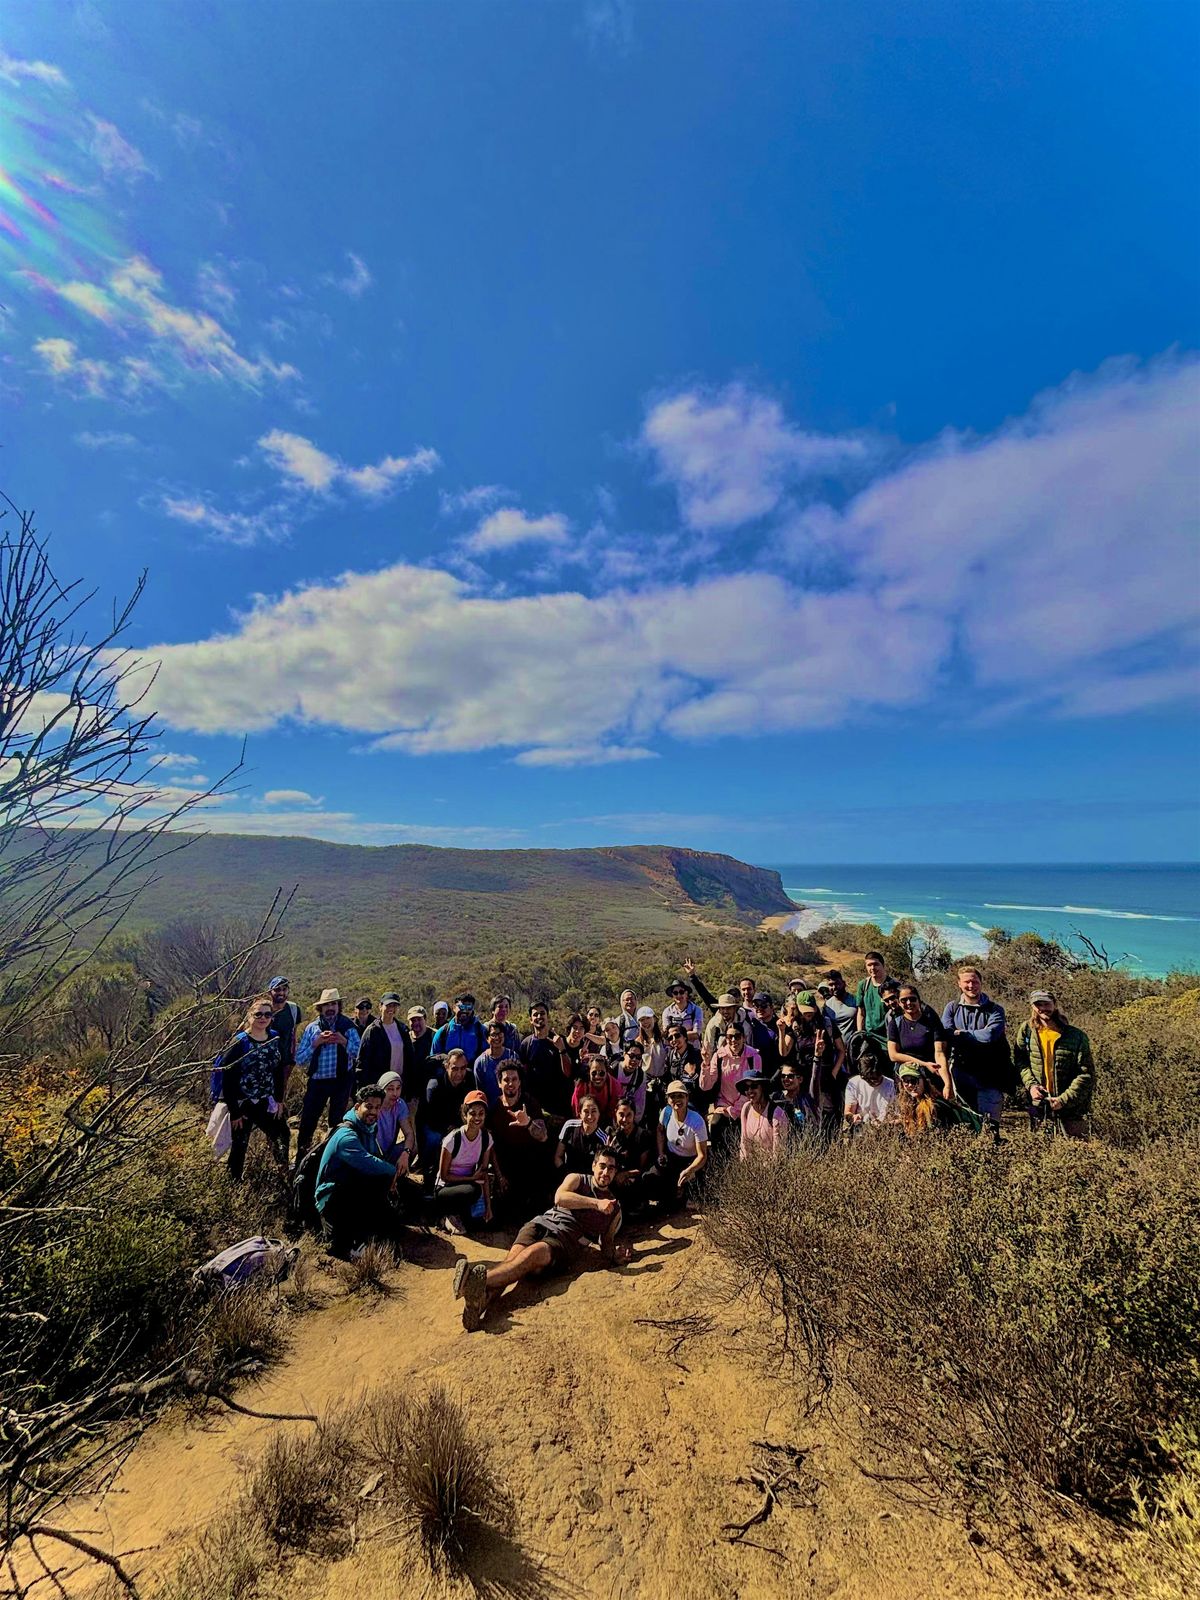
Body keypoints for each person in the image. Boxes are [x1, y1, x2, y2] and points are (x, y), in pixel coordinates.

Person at [452, 1148, 629, 1331]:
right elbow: (560, 1198)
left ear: (615, 1172)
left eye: (611, 1168)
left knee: (529, 1256)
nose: (605, 1172)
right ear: (593, 1165)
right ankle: (479, 1305)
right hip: (540, 1224)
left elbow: (606, 1242)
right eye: (602, 1166)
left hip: (563, 1242)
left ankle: (472, 1281)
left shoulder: (614, 1208)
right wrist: (596, 1203)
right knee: (512, 1263)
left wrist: (615, 1256)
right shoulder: (577, 1179)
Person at [315, 1084, 406, 1259]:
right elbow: (368, 1163)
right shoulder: (346, 1136)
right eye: (369, 1107)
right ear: (357, 1106)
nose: (373, 1112)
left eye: (377, 1108)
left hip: (352, 1186)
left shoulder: (368, 1128)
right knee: (341, 1244)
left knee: (392, 1225)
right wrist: (392, 1171)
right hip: (332, 1196)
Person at [219, 996, 289, 1181]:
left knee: (282, 1134)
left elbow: (278, 1070)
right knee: (240, 1145)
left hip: (266, 1101)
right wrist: (234, 1112)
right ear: (250, 1016)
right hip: (243, 1103)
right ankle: (233, 1182)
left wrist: (279, 1099)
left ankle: (283, 1173)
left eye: (267, 1014)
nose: (263, 1018)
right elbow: (228, 1077)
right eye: (258, 1014)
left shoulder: (274, 1038)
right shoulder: (239, 1042)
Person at [1014, 991, 1094, 1139]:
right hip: (1039, 1104)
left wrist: (1064, 1100)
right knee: (1040, 1146)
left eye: (1047, 1004)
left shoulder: (1076, 1036)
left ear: (1055, 1004)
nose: (1043, 1008)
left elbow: (1086, 1074)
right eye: (1038, 1004)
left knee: (1076, 1147)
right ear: (1032, 1007)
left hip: (1072, 1108)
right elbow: (1021, 1062)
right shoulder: (1027, 1031)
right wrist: (1031, 1086)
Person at [295, 988, 362, 1159]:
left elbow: (360, 1053)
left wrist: (344, 1042)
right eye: (326, 1005)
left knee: (336, 1123)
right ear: (320, 1008)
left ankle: (331, 1159)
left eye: (333, 1004)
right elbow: (300, 1059)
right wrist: (316, 1043)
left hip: (342, 1081)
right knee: (308, 1122)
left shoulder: (348, 1027)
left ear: (339, 1006)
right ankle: (302, 1159)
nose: (330, 1008)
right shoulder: (312, 1028)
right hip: (317, 1082)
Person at [942, 967, 1010, 1126]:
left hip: (990, 1074)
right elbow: (947, 1034)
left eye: (975, 982)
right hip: (961, 1073)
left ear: (981, 983)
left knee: (990, 1123)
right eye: (967, 982)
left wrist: (962, 1034)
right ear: (959, 984)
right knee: (968, 1122)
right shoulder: (952, 1008)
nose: (971, 986)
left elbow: (989, 1035)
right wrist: (973, 1035)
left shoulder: (995, 1009)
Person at [433, 1089, 497, 1234]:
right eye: (472, 1113)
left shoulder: (486, 1139)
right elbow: (444, 1176)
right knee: (472, 1191)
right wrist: (471, 1178)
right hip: (446, 1188)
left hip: (468, 1185)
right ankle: (447, 1215)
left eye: (481, 1113)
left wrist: (488, 1207)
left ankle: (458, 1217)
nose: (477, 1118)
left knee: (490, 1221)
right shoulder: (452, 1139)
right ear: (464, 1115)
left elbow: (483, 1173)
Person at [489, 1064, 549, 1217]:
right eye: (506, 1080)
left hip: (531, 1165)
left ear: (520, 1082)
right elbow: (491, 1147)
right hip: (506, 1167)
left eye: (514, 1079)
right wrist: (499, 1176)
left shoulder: (529, 1103)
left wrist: (528, 1123)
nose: (510, 1083)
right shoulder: (494, 1108)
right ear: (499, 1083)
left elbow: (543, 1136)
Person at [701, 1021, 760, 1156]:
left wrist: (733, 1110)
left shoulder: (754, 1057)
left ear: (744, 1037)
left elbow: (754, 1087)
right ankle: (718, 1162)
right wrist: (706, 1064)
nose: (733, 1040)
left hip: (747, 1105)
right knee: (715, 1126)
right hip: (723, 1104)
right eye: (729, 1037)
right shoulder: (719, 1056)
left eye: (737, 1036)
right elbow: (706, 1086)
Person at [887, 984, 952, 1100]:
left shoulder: (932, 1022)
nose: (909, 1003)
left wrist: (947, 1084)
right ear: (899, 1003)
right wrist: (924, 1064)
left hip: (931, 1078)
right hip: (907, 1080)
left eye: (912, 999)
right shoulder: (895, 1024)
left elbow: (939, 1053)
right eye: (904, 1000)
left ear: (919, 1000)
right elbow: (893, 1055)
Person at [519, 1002, 573, 1132]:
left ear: (548, 1016)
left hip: (559, 1107)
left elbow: (568, 1073)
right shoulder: (526, 1044)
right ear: (530, 1019)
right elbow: (523, 1076)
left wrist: (561, 1050)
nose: (539, 1017)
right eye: (535, 1014)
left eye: (542, 1013)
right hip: (536, 1108)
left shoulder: (560, 1041)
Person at [422, 1049, 472, 1186]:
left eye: (463, 1068)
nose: (459, 1073)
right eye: (455, 1069)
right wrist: (449, 1129)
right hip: (435, 1124)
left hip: (458, 1122)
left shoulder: (469, 1079)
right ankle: (429, 1177)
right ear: (446, 1066)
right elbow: (431, 1117)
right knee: (434, 1139)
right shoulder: (434, 1087)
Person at [655, 1080, 709, 1208]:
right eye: (672, 1096)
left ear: (687, 1098)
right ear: (668, 1100)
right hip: (672, 1158)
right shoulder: (666, 1113)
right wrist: (661, 1153)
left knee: (694, 1198)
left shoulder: (696, 1120)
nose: (677, 1100)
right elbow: (660, 1130)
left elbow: (702, 1155)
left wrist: (690, 1170)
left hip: (692, 1161)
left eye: (680, 1096)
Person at [606, 1096, 655, 1211]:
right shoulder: (610, 1133)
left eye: (629, 1115)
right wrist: (608, 1149)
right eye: (621, 1115)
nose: (624, 1119)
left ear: (634, 1115)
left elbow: (644, 1168)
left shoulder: (643, 1136)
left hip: (635, 1177)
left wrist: (626, 1174)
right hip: (615, 1177)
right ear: (615, 1113)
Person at [356, 993, 412, 1092]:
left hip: (399, 1085)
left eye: (394, 1006)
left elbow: (409, 1058)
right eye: (388, 1005)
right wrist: (364, 1090)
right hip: (379, 1085)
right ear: (380, 1007)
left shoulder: (403, 1029)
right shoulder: (372, 1031)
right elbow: (362, 1062)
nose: (391, 1009)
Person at [843, 1040, 898, 1132]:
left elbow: (897, 1115)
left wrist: (886, 1124)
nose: (873, 1082)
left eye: (876, 1078)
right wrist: (853, 1117)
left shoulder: (890, 1085)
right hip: (861, 1129)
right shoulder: (854, 1083)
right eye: (869, 1079)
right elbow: (848, 1112)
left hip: (885, 1129)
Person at [737, 1070, 786, 1157]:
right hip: (752, 1164)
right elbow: (744, 1142)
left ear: (762, 1087)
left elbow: (779, 1153)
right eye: (746, 1088)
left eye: (754, 1086)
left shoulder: (777, 1114)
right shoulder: (746, 1108)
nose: (750, 1091)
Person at [555, 1095, 608, 1173]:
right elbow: (558, 1157)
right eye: (586, 1111)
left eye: (594, 1111)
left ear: (599, 1113)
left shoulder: (603, 1138)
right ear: (579, 1113)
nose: (590, 1116)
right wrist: (565, 1174)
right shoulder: (569, 1126)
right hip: (568, 1175)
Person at [374, 1070, 414, 1169]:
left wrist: (406, 1153)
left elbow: (409, 1133)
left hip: (389, 1152)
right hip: (372, 1153)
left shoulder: (400, 1105)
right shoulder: (374, 1105)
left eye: (398, 1088)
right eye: (390, 1089)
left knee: (412, 1146)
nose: (395, 1093)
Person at [432, 994, 488, 1064]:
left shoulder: (481, 1031)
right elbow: (433, 1060)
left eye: (469, 1008)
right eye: (461, 1007)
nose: (464, 1011)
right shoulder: (443, 1032)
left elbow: (489, 1058)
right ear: (454, 1008)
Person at [266, 976, 301, 1086]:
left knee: (279, 1093)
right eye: (277, 989)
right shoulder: (263, 1010)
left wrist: (292, 1061)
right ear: (270, 991)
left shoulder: (294, 1010)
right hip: (263, 1062)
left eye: (284, 989)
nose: (281, 993)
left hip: (284, 1063)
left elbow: (293, 1036)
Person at [473, 1021, 519, 1106]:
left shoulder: (513, 1057)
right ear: (487, 1038)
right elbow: (479, 1091)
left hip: (512, 1106)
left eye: (500, 1034)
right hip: (490, 1108)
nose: (497, 1037)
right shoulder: (480, 1062)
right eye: (493, 1035)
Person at [855, 953, 892, 1049]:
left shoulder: (894, 985)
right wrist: (860, 1033)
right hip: (869, 1038)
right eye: (869, 965)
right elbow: (861, 1013)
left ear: (883, 965)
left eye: (876, 964)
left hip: (889, 1038)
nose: (872, 968)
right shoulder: (863, 985)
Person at [896, 1064, 939, 1137]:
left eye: (913, 1080)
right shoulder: (908, 1104)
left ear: (924, 1081)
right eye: (906, 1081)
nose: (910, 1085)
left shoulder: (934, 1105)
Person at [748, 991, 782, 1078]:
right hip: (755, 1073)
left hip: (774, 1075)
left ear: (771, 1007)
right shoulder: (752, 1024)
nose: (759, 1009)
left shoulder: (780, 1026)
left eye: (763, 1005)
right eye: (756, 1006)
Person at [613, 1037, 648, 1121]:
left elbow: (640, 1102)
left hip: (628, 1116)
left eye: (638, 1057)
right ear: (624, 1054)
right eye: (631, 1056)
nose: (634, 1060)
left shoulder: (640, 1076)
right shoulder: (613, 1070)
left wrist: (633, 1122)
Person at [702, 991, 745, 1060]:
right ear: (719, 1009)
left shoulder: (743, 1023)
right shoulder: (713, 1024)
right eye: (722, 1008)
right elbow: (708, 1046)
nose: (725, 1011)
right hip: (719, 1059)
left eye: (728, 1008)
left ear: (734, 1009)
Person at [821, 970, 859, 1048]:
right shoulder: (827, 1006)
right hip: (837, 1049)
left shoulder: (855, 1000)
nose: (834, 987)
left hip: (855, 1046)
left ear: (844, 983)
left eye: (837, 983)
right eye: (831, 985)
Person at [662, 979, 703, 1043]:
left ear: (686, 993)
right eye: (675, 993)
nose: (678, 995)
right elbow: (666, 1033)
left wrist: (676, 1036)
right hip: (674, 1047)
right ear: (672, 995)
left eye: (681, 992)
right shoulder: (667, 1012)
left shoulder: (696, 1010)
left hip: (693, 1047)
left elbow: (696, 1033)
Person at [635, 1007, 668, 1080]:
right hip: (646, 1080)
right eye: (642, 1020)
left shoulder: (664, 1038)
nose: (645, 1022)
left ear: (655, 1019)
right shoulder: (638, 1042)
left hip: (665, 1078)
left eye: (648, 1018)